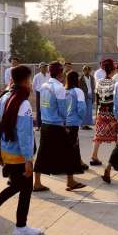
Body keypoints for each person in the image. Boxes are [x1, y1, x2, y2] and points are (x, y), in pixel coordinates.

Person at [0, 65, 43, 235]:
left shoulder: (4, 97)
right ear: (25, 81)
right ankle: (11, 221)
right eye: (29, 80)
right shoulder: (23, 103)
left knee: (19, 186)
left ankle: (13, 221)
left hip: (6, 150)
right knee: (22, 187)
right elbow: (25, 134)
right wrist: (28, 159)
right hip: (19, 154)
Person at [33, 62, 86, 192]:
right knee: (70, 151)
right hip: (56, 125)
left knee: (42, 153)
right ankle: (70, 181)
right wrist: (65, 124)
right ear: (59, 73)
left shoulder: (44, 86)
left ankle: (37, 182)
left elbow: (41, 105)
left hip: (45, 123)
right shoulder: (59, 88)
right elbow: (63, 110)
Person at [90, 59, 118, 167]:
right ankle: (117, 158)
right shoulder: (114, 83)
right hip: (111, 113)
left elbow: (97, 99)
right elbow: (116, 100)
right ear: (113, 70)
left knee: (98, 135)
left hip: (101, 111)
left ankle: (94, 156)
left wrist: (97, 113)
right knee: (116, 135)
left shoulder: (99, 82)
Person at [64, 70, 88, 173]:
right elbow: (82, 108)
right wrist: (80, 119)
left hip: (64, 121)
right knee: (73, 144)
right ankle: (73, 166)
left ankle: (79, 162)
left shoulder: (64, 91)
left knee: (70, 143)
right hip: (73, 121)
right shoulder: (78, 91)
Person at [32, 63, 49, 130]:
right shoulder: (37, 76)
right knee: (39, 109)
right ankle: (38, 126)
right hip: (39, 93)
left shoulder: (49, 75)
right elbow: (33, 86)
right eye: (43, 67)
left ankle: (46, 125)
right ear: (40, 68)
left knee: (46, 108)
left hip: (47, 93)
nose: (45, 68)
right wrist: (36, 93)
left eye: (45, 67)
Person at [79, 65, 96, 130]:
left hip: (90, 95)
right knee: (84, 111)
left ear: (90, 71)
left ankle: (87, 124)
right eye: (85, 70)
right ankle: (82, 125)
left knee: (89, 111)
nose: (87, 71)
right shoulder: (80, 78)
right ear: (83, 71)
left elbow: (93, 87)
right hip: (84, 96)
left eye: (88, 70)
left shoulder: (92, 78)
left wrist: (94, 96)